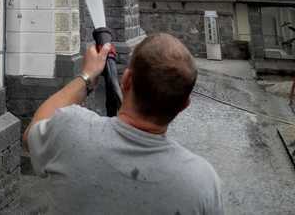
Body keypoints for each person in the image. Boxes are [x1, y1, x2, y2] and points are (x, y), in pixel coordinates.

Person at [24, 33, 224, 215]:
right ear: (184, 105)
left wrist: (86, 76)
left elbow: (32, 133)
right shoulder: (203, 182)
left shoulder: (69, 129)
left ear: (127, 80)